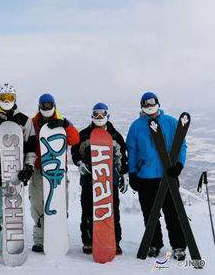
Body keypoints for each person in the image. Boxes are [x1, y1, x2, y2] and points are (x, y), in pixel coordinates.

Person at [126, 92, 187, 261]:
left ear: (158, 103)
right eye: (146, 104)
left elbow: (182, 144)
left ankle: (179, 246)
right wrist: (132, 173)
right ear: (142, 107)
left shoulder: (170, 122)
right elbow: (132, 151)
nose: (149, 107)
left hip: (168, 176)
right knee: (150, 214)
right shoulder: (136, 126)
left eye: (152, 103)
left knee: (172, 212)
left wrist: (179, 165)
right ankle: (154, 244)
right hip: (145, 177)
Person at [0, 83, 37, 260]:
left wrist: (28, 167)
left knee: (14, 209)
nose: (6, 100)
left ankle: (13, 240)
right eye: (3, 97)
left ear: (15, 99)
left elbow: (31, 147)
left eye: (10, 97)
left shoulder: (24, 120)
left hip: (16, 173)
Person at [71, 103, 129, 255]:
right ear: (92, 115)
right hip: (89, 179)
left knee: (111, 211)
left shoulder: (115, 135)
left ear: (107, 115)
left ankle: (114, 241)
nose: (99, 117)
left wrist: (123, 173)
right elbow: (75, 152)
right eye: (96, 114)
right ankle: (89, 241)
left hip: (110, 181)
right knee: (88, 210)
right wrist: (79, 162)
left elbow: (121, 157)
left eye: (102, 114)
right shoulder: (84, 134)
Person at [30, 93, 80, 252]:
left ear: (54, 106)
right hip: (39, 169)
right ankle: (39, 240)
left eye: (49, 105)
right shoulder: (33, 123)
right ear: (39, 106)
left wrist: (65, 126)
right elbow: (26, 141)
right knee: (38, 204)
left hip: (57, 170)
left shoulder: (62, 121)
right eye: (43, 106)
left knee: (58, 203)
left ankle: (59, 236)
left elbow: (75, 139)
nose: (46, 108)